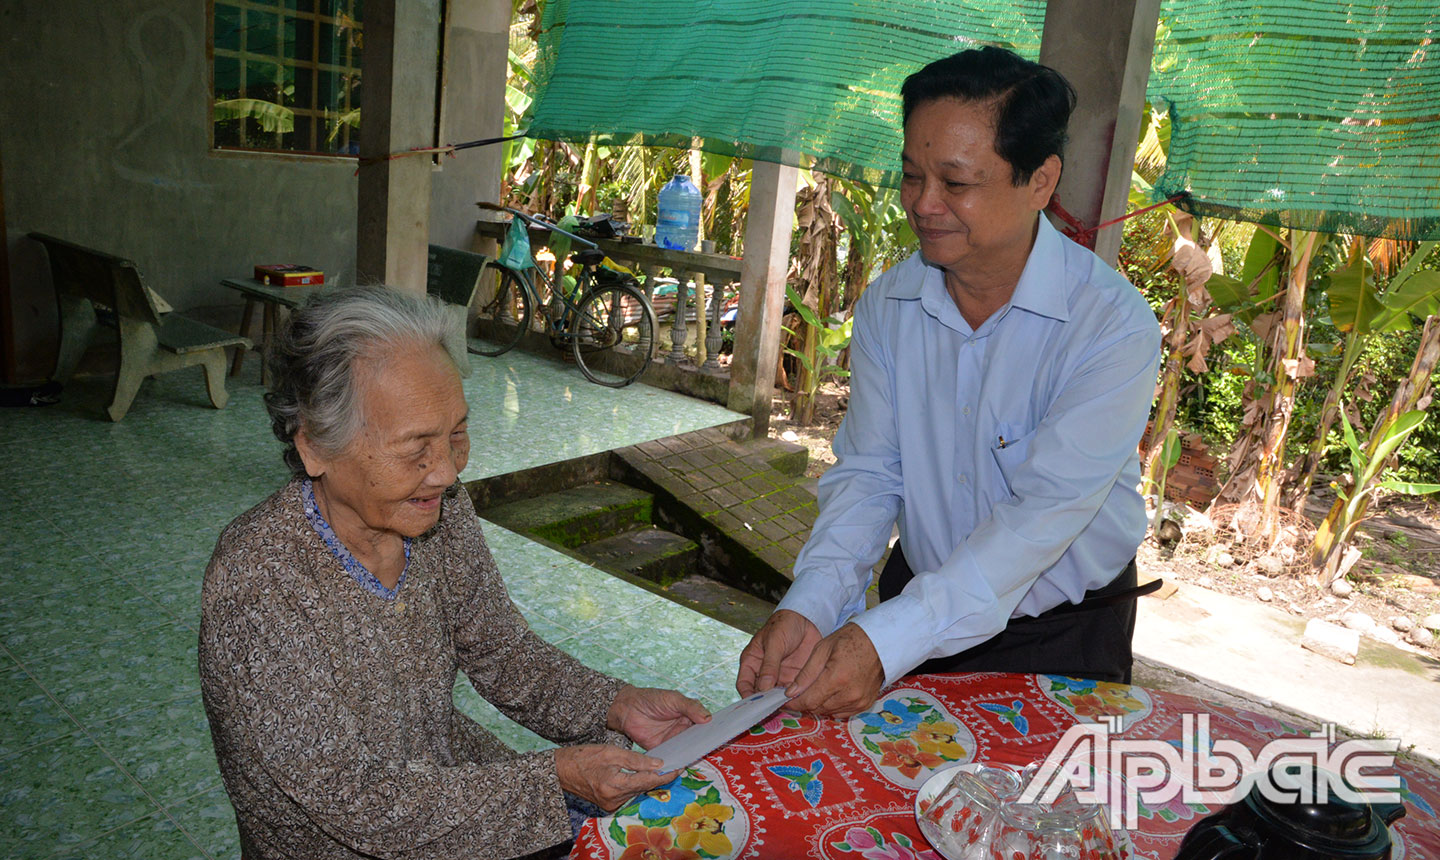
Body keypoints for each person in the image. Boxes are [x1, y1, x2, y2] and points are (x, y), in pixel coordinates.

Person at [199, 285, 710, 860]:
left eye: (456, 434)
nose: (444, 472)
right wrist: (554, 779)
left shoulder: (436, 509)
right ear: (315, 445)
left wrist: (615, 705)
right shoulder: (257, 579)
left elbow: (501, 650)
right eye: (415, 447)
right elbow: (354, 800)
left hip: (453, 785)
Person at [737, 46, 1162, 719]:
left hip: (1063, 633)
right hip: (918, 612)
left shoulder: (1109, 327)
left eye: (956, 183)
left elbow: (1040, 518)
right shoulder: (890, 307)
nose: (923, 204)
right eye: (911, 176)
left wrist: (887, 640)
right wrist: (812, 605)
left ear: (1040, 181)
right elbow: (872, 475)